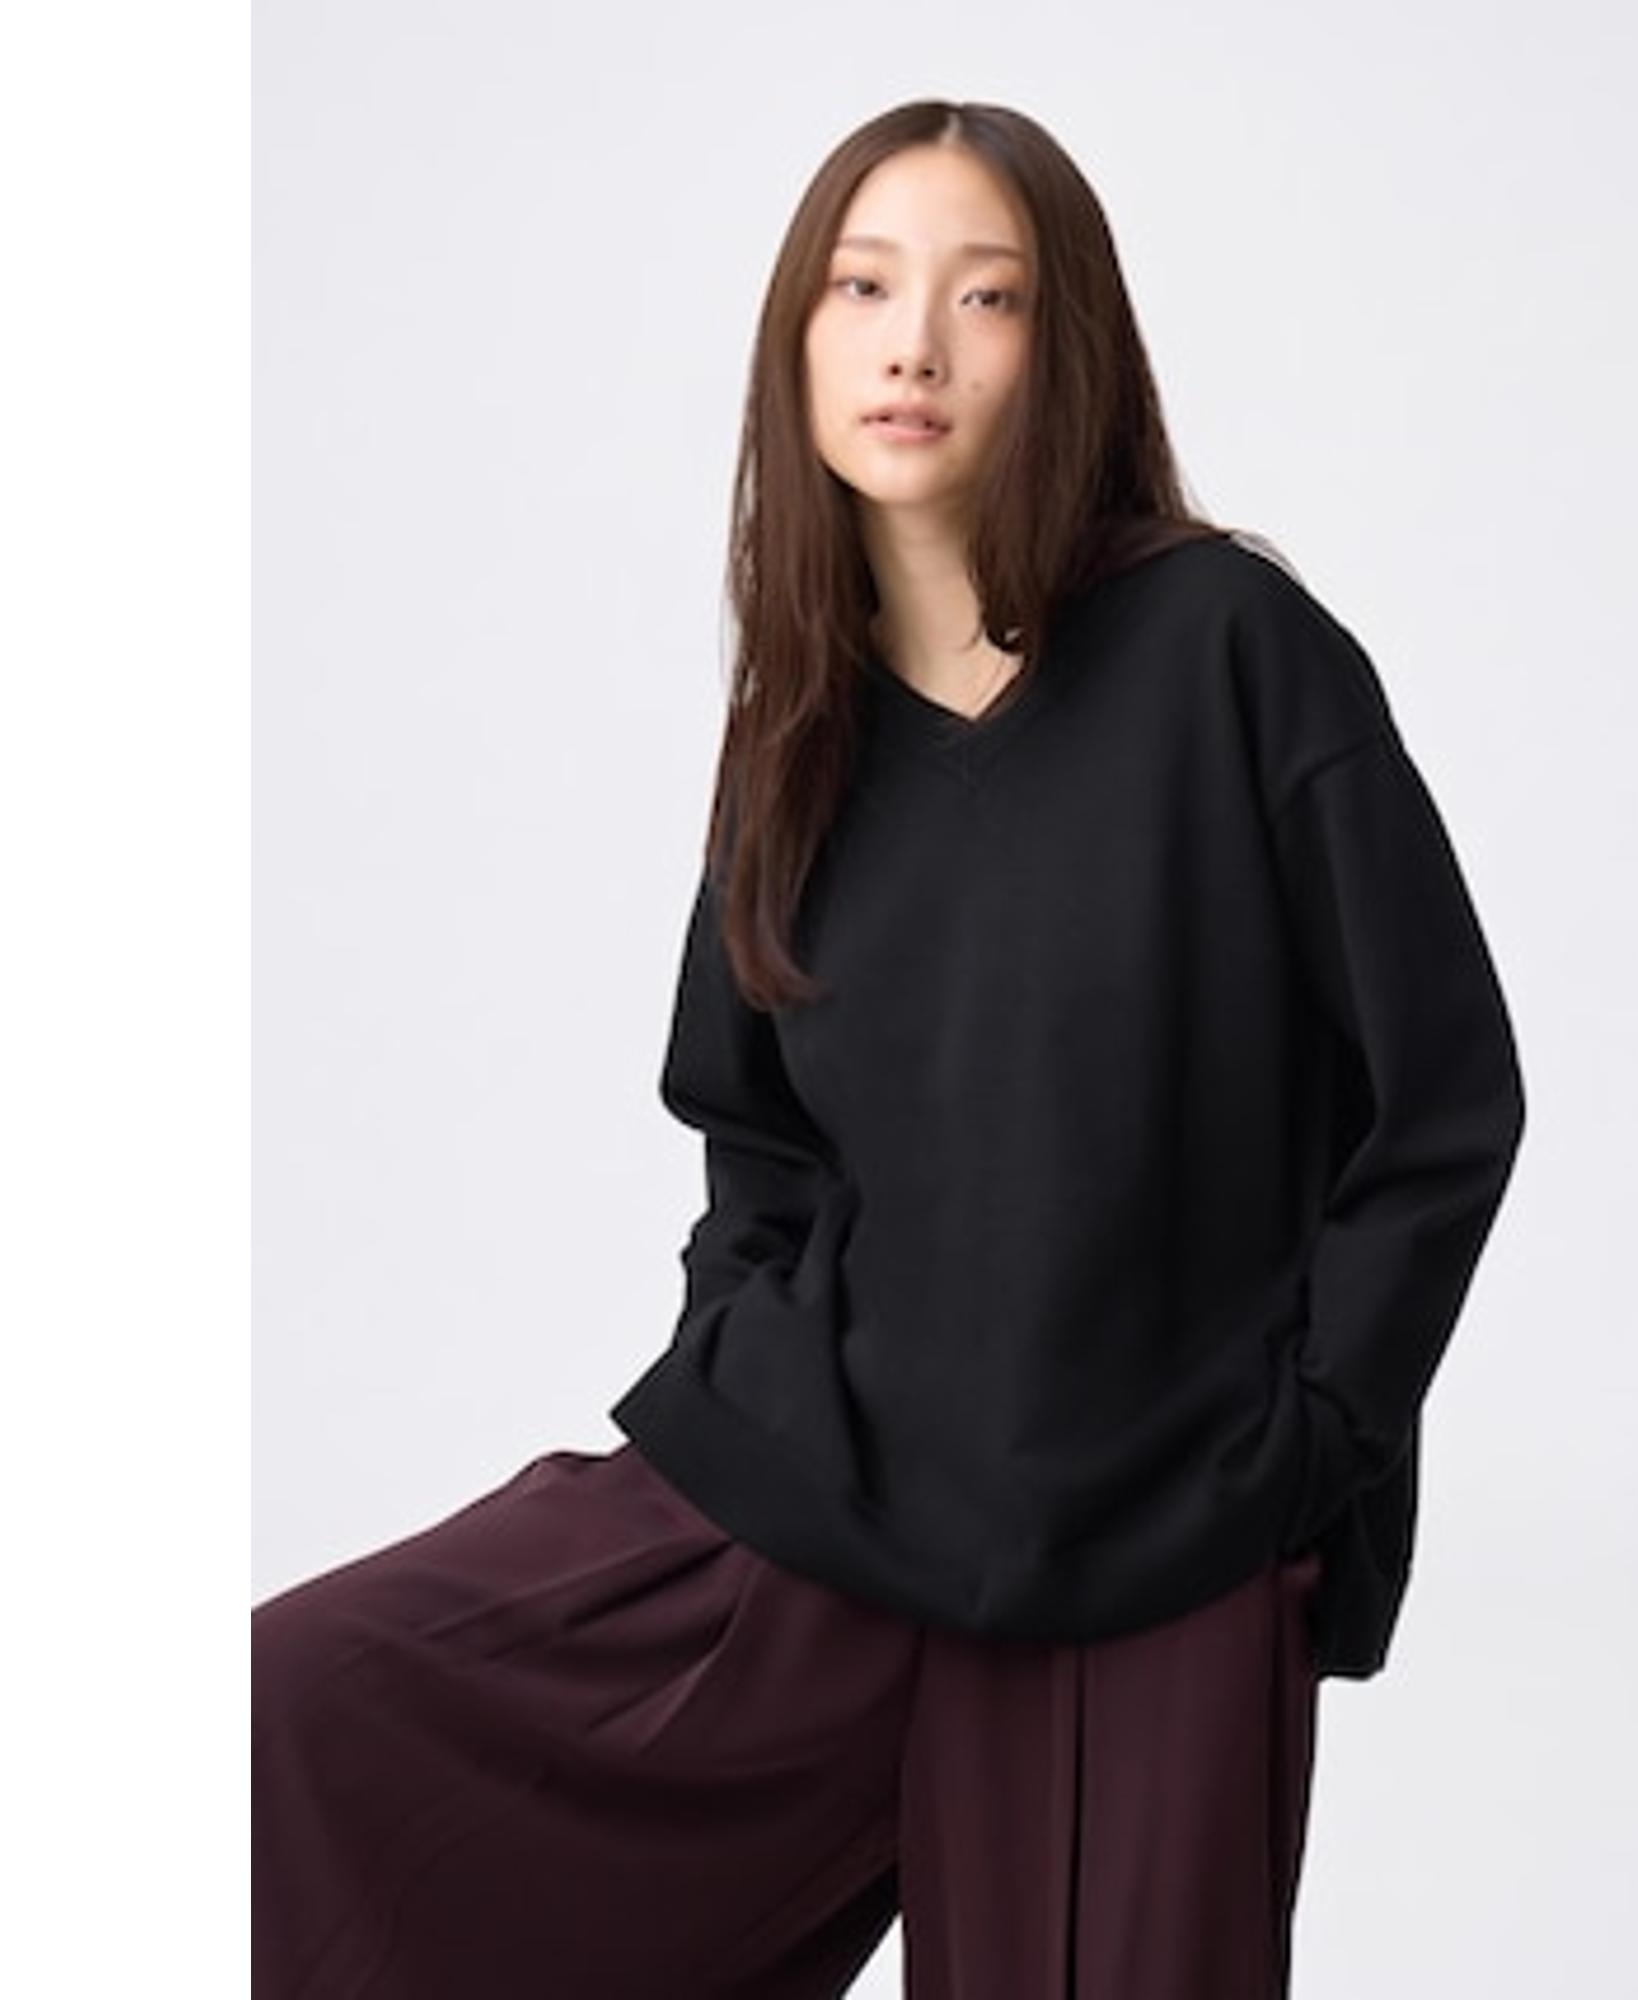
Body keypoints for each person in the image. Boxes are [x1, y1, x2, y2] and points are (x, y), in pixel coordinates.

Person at [253, 98, 1527, 1998]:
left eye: (984, 296)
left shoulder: (1230, 651)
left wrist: (1308, 1449)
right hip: (823, 1520)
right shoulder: (799, 733)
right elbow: (754, 1140)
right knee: (293, 1717)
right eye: (862, 288)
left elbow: (1444, 1102)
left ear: (1066, 349)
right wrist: (755, 1375)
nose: (913, 343)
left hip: (1164, 1547)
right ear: (798, 337)